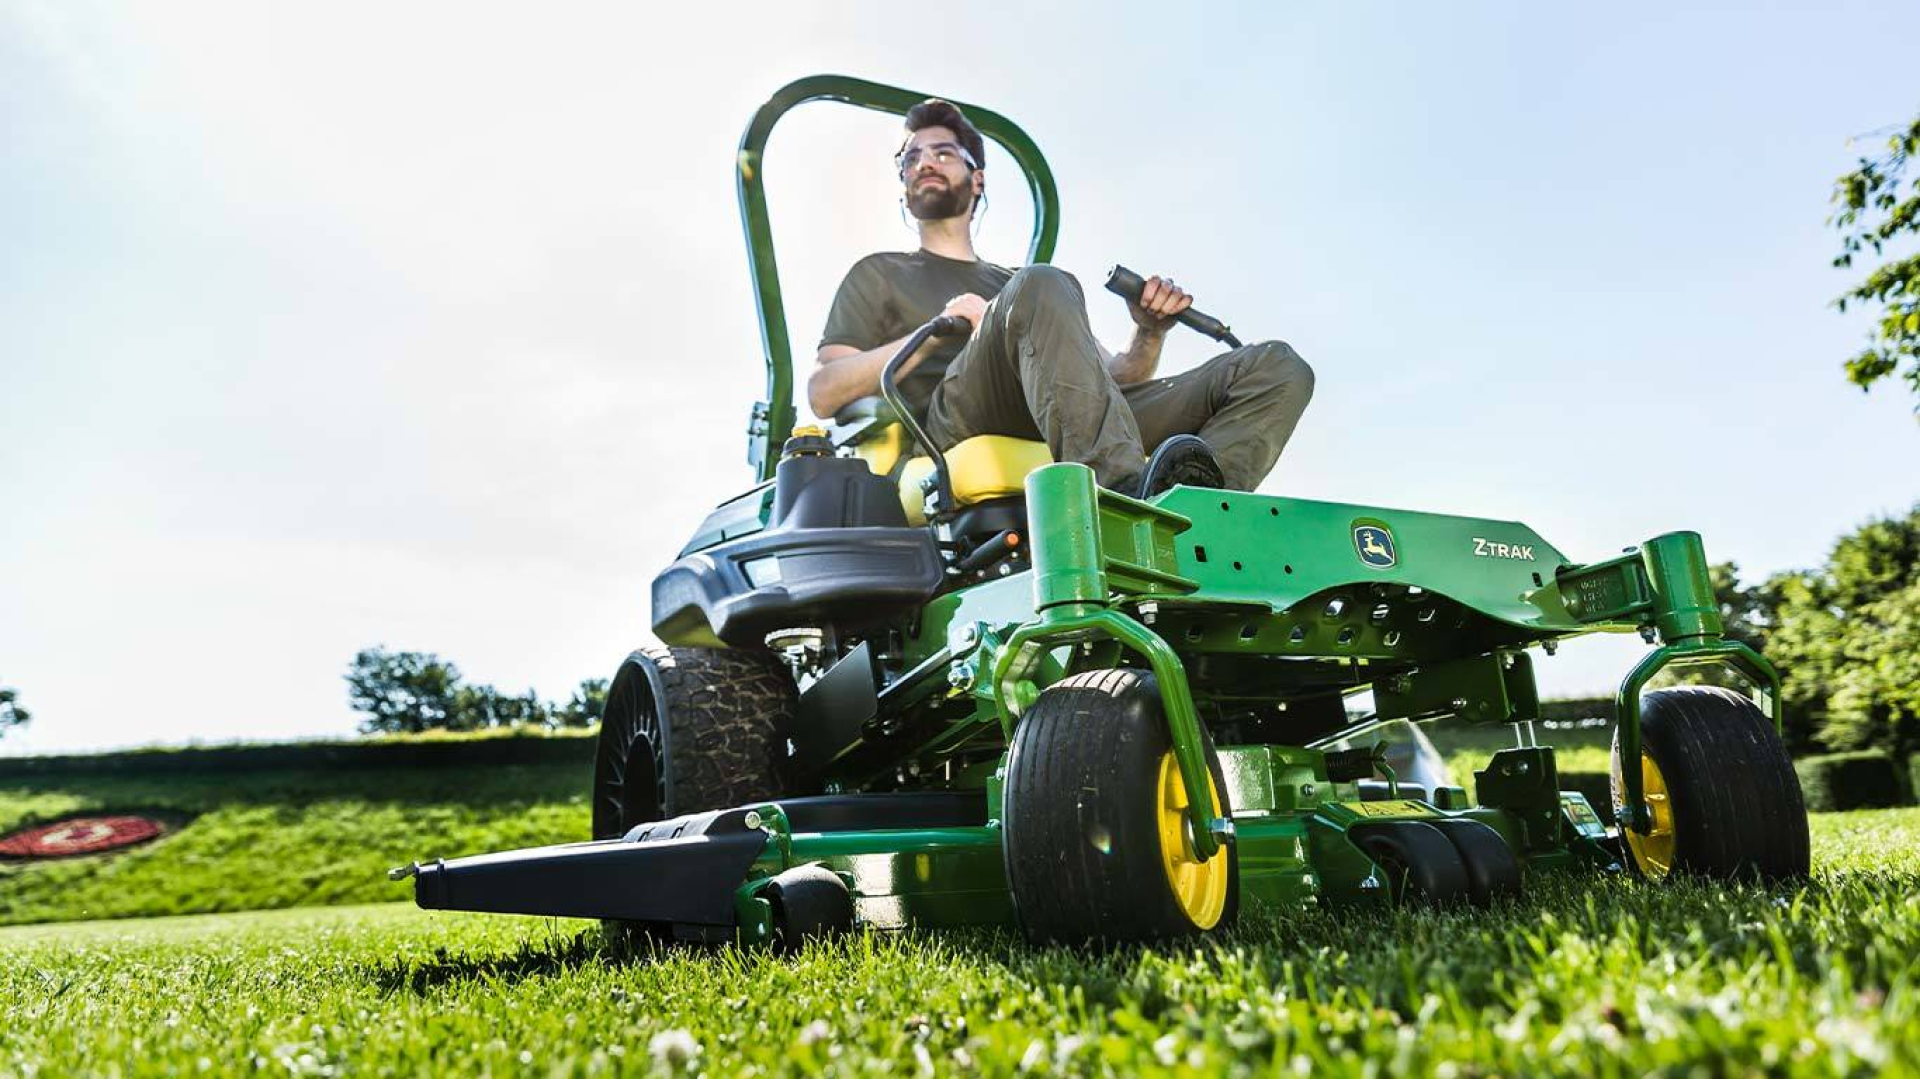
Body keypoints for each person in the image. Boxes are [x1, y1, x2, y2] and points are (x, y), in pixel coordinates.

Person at [808, 98, 1314, 495]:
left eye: (942, 153)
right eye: (910, 158)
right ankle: (1122, 502)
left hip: (1063, 412)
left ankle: (1200, 508)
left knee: (1277, 368)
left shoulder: (1017, 282)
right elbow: (824, 391)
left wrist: (1149, 331)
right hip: (955, 420)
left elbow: (1114, 377)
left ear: (977, 179)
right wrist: (931, 334)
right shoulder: (879, 274)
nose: (924, 164)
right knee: (1044, 282)